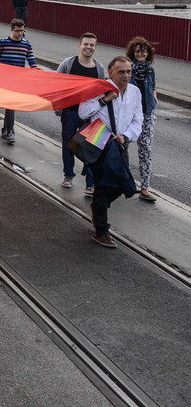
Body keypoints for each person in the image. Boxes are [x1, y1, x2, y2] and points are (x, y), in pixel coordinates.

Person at [79, 56, 144, 248]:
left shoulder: (135, 92)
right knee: (104, 184)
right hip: (99, 142)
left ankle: (99, 206)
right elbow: (83, 113)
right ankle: (101, 231)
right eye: (121, 72)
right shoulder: (98, 88)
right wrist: (104, 100)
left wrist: (125, 136)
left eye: (129, 71)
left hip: (120, 143)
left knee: (125, 186)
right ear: (111, 73)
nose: (126, 75)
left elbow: (137, 120)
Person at [56, 33, 104, 193]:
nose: (88, 47)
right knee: (68, 145)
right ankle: (68, 175)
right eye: (86, 44)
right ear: (79, 45)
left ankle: (90, 183)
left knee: (89, 147)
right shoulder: (68, 63)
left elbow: (102, 91)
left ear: (95, 48)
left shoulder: (99, 68)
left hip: (90, 115)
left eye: (92, 45)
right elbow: (55, 82)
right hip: (70, 112)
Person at [127, 37, 158, 202]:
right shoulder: (127, 69)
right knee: (120, 147)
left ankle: (145, 188)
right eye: (138, 51)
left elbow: (153, 88)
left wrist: (154, 102)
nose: (140, 54)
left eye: (143, 51)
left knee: (145, 149)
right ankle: (119, 182)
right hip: (129, 116)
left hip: (147, 115)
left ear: (148, 54)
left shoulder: (150, 71)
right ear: (133, 52)